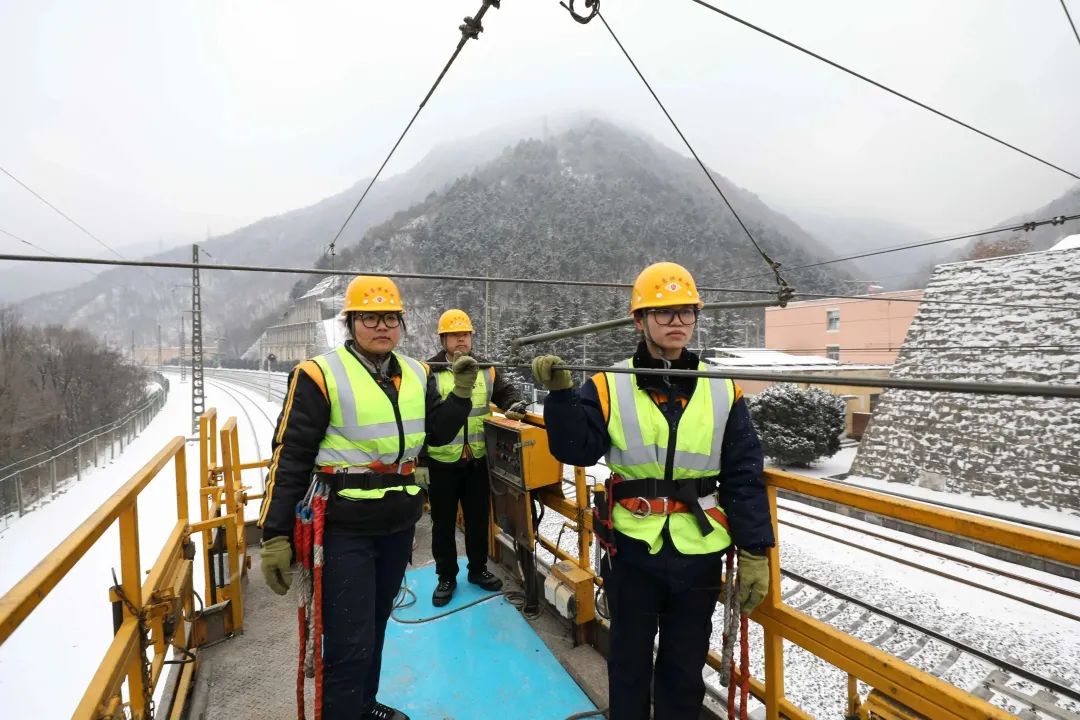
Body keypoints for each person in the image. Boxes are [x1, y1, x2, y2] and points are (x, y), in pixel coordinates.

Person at [530, 261, 774, 720]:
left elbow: (744, 471)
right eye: (664, 313)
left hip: (699, 551)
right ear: (639, 321)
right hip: (632, 548)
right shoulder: (608, 384)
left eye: (685, 312)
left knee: (684, 669)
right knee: (629, 662)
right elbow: (576, 450)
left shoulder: (722, 389)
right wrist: (561, 397)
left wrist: (757, 548)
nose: (677, 322)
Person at [257, 275, 475, 720]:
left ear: (402, 323)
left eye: (390, 317)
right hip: (344, 528)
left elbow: (436, 434)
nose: (382, 326)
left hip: (398, 524)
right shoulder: (319, 375)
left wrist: (462, 394)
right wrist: (274, 533)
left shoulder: (418, 374)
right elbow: (292, 455)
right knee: (348, 639)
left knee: (376, 624)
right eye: (370, 317)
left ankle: (362, 704)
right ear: (351, 323)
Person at [423, 308, 529, 606]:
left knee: (478, 519)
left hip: (478, 460)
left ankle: (478, 569)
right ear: (443, 339)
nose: (461, 340)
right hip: (443, 462)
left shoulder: (486, 369)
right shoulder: (429, 372)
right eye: (455, 335)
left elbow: (505, 393)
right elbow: (423, 419)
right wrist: (420, 462)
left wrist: (514, 404)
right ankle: (446, 577)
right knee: (442, 523)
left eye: (466, 335)